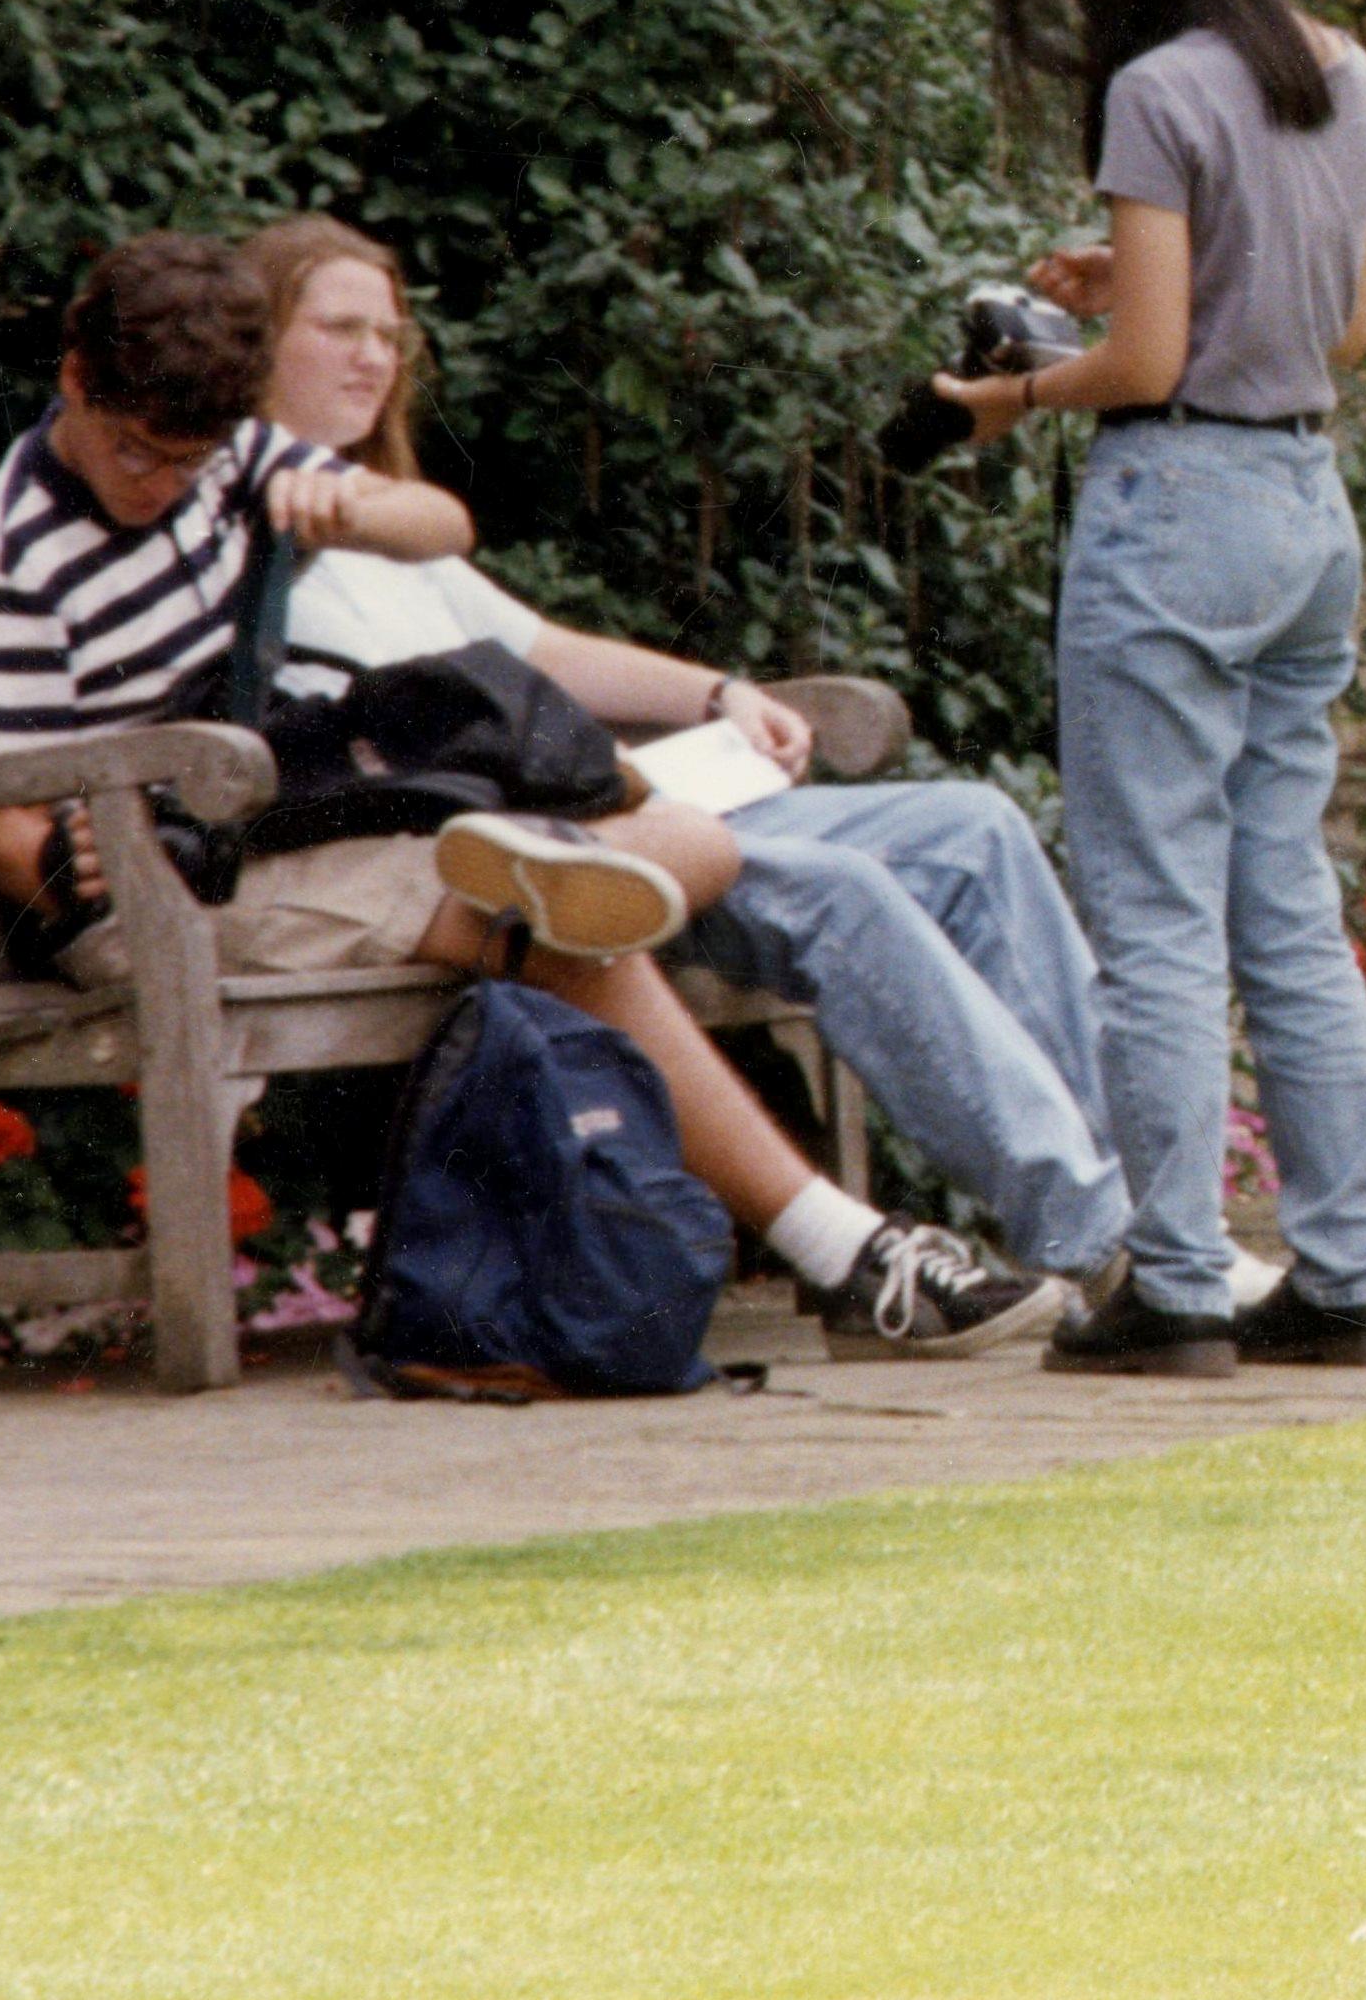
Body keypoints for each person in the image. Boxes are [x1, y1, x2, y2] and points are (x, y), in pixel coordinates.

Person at [0, 232, 1063, 1359]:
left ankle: (565, 886)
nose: (160, 487)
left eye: (186, 461)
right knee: (550, 927)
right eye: (134, 453)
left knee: (678, 842)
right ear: (72, 379)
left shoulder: (235, 455)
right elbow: (5, 839)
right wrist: (74, 849)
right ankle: (856, 1253)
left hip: (273, 827)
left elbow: (440, 524)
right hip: (150, 891)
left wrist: (353, 509)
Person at [239, 215, 1140, 1342]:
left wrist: (718, 693)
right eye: (339, 328)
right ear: (258, 337)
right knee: (836, 888)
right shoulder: (251, 517)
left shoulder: (386, 515)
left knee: (972, 823)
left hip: (623, 798)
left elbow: (541, 649)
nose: (373, 356)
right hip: (536, 848)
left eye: (389, 333)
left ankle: (1149, 1210)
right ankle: (1095, 1240)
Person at [935, 0, 1366, 1378]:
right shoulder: (1346, 72)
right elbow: (1343, 329)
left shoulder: (1155, 88)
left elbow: (1141, 366)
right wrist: (1138, 281)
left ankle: (1182, 1284)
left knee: (1152, 913)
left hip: (1174, 508)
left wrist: (1008, 397)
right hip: (1303, 505)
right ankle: (1351, 1274)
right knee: (1285, 896)